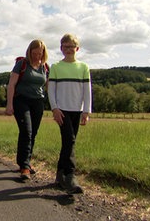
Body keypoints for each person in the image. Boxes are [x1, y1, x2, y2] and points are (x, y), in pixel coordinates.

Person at [48, 33, 91, 194]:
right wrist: (54, 109)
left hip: (77, 111)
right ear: (61, 48)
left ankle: (59, 176)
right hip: (62, 111)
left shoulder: (83, 67)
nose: (68, 49)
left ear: (77, 48)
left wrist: (86, 111)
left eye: (71, 47)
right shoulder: (56, 67)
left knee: (68, 143)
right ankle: (70, 176)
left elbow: (87, 91)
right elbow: (51, 91)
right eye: (65, 47)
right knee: (70, 140)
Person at [6, 39, 49, 180]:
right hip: (21, 101)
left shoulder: (45, 67)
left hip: (38, 102)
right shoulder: (22, 64)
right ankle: (24, 167)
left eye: (40, 53)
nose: (37, 55)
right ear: (30, 52)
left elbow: (48, 85)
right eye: (35, 53)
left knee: (33, 133)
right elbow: (11, 85)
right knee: (26, 130)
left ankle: (25, 162)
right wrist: (9, 104)